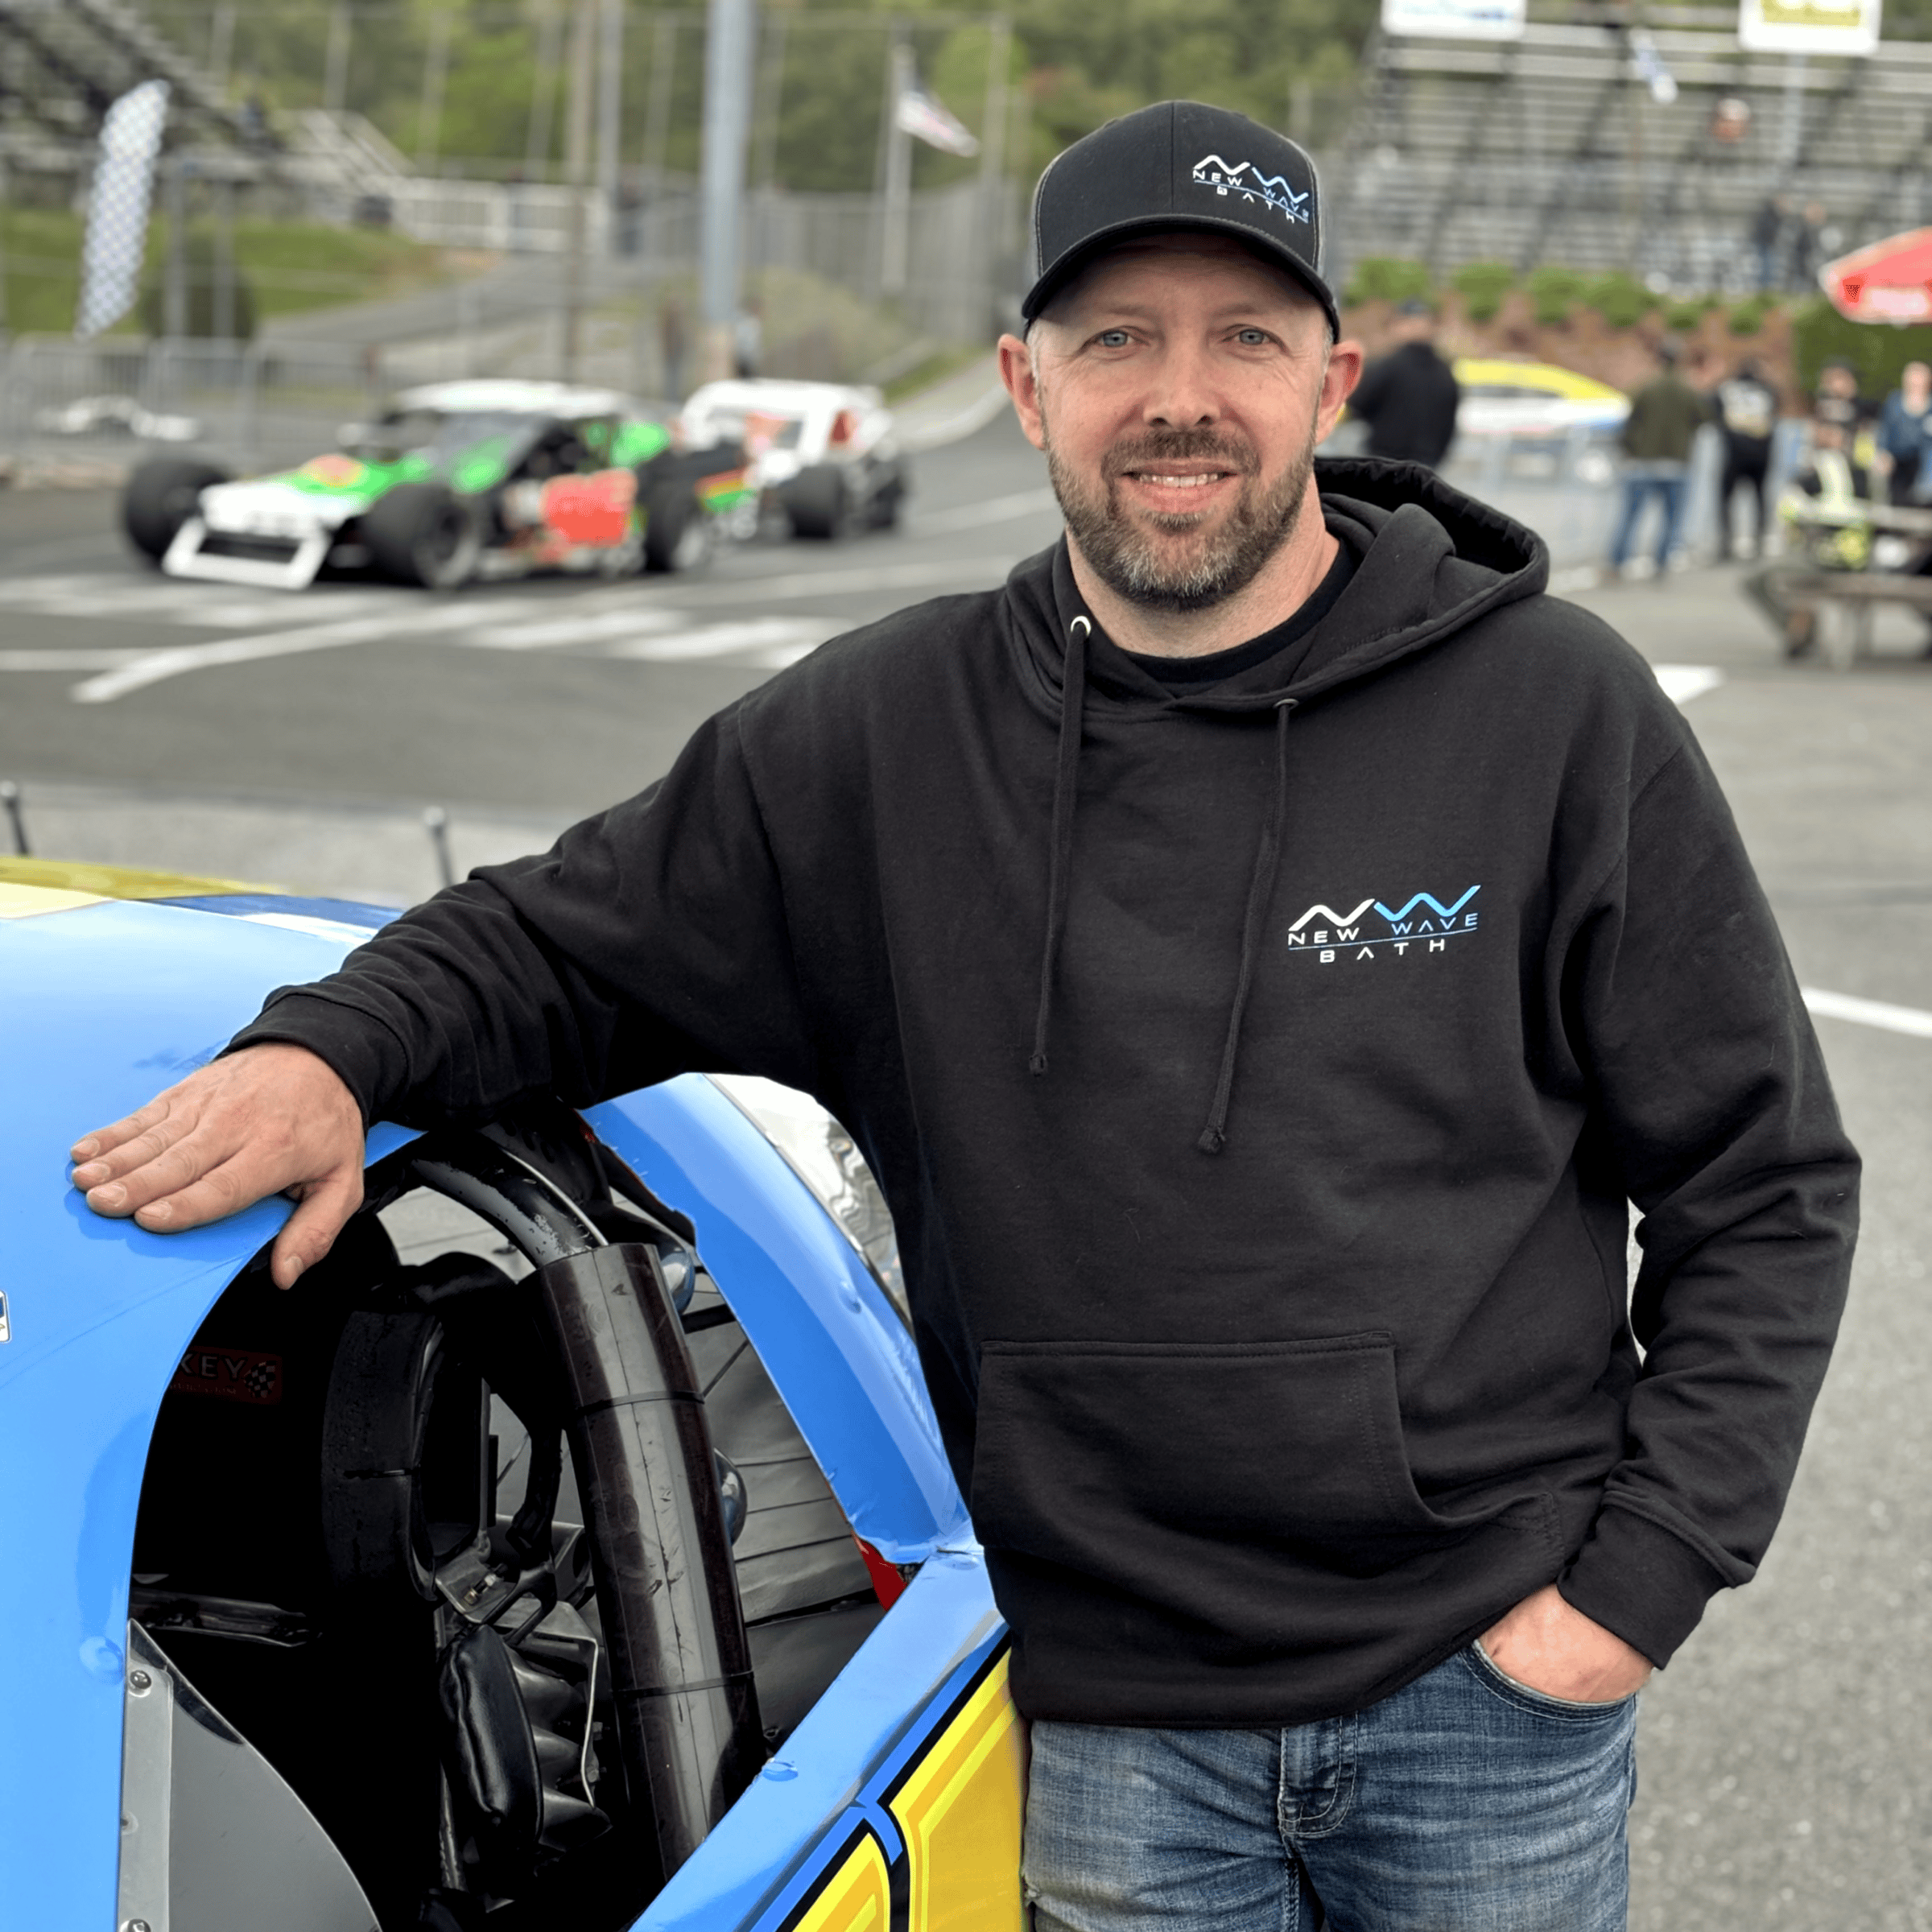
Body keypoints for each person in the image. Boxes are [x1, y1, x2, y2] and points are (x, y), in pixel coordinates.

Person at [68, 101, 1858, 1931]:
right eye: (1115, 340)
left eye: (1241, 336)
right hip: (1107, 1727)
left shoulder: (1549, 710)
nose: (1180, 395)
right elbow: (559, 940)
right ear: (1024, 381)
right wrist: (330, 1047)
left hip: (1479, 1707)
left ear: (1327, 377)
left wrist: (1625, 1588)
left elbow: (1762, 1177)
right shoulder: (885, 738)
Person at [1744, 411, 1872, 655]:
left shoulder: (1830, 466)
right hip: (1845, 555)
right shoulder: (1857, 468)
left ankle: (1799, 630)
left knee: (1759, 580)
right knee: (1769, 578)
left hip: (1831, 556)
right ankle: (1800, 627)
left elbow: (1799, 509)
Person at [1609, 338, 1709, 576]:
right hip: (1677, 463)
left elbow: (1630, 421)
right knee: (1671, 521)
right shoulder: (1688, 390)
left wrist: (1629, 450)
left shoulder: (1647, 387)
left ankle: (1617, 563)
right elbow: (1703, 418)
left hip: (1643, 462)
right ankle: (1661, 563)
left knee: (1630, 517)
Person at [1345, 295, 1460, 469]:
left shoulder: (1387, 366)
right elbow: (1450, 425)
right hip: (1429, 467)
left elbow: (1356, 405)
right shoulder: (1446, 373)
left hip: (1384, 463)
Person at [1713, 356, 1779, 559]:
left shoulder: (1726, 390)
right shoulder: (1767, 391)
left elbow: (1714, 413)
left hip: (1734, 454)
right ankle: (1759, 541)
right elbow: (1775, 414)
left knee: (1726, 500)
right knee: (1759, 499)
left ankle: (1726, 542)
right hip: (1761, 455)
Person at [1874, 359, 1932, 504]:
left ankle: (1926, 490)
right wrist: (1882, 452)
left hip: (1923, 462)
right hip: (1897, 459)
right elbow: (1884, 431)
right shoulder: (1894, 401)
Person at [1748, 192, 1788, 294]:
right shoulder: (1770, 214)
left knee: (1766, 265)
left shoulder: (1770, 213)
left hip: (1765, 243)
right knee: (1766, 266)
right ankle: (1764, 288)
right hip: (1765, 243)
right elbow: (1767, 229)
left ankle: (1764, 288)